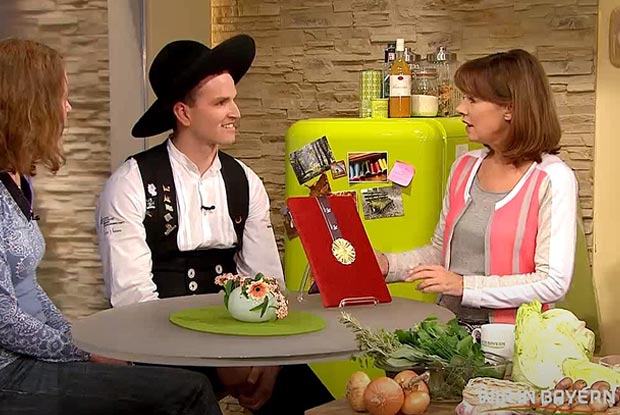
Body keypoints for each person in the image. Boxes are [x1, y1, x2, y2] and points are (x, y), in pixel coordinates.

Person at [95, 34, 333, 414]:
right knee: (189, 393)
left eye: (233, 99)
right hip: (158, 346)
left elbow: (267, 282)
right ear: (184, 113)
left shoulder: (246, 182)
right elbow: (133, 302)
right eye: (221, 102)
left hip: (238, 340)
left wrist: (271, 359)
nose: (236, 112)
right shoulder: (130, 183)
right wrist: (218, 358)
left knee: (314, 404)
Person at [0, 38, 222, 415]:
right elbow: (5, 321)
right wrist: (81, 351)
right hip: (9, 372)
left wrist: (76, 339)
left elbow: (29, 290)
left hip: (37, 358)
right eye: (62, 98)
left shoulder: (18, 180)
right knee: (189, 391)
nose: (68, 108)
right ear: (31, 106)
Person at [377, 49, 578, 326]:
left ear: (510, 108)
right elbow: (441, 253)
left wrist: (465, 286)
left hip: (512, 339)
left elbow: (552, 282)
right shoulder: (464, 167)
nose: (461, 108)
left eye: (472, 99)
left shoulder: (552, 178)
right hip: (449, 330)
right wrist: (388, 264)